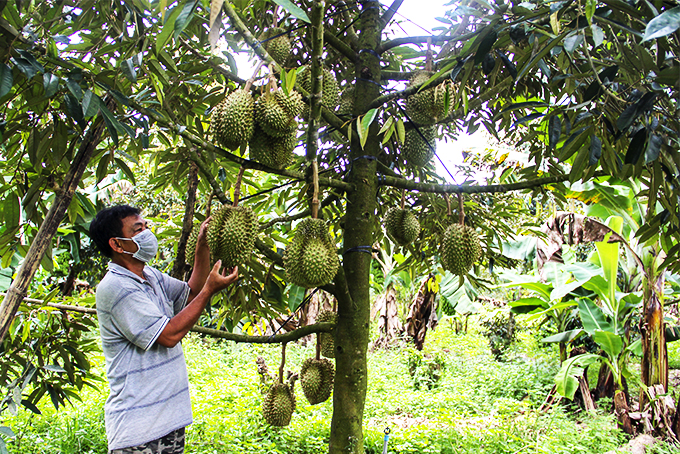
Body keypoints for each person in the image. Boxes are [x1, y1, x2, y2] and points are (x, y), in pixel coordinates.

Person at [89, 205, 238, 454]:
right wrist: (210, 290)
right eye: (139, 229)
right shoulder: (115, 287)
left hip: (169, 422)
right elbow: (168, 335)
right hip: (138, 430)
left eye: (146, 226)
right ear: (117, 244)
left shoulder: (150, 275)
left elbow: (190, 293)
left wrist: (203, 247)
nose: (148, 232)